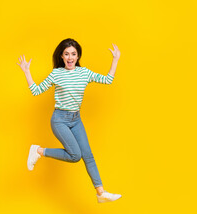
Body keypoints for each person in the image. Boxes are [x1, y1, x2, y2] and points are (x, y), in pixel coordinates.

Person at [16, 38, 121, 203]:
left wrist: (115, 59)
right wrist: (26, 71)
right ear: (62, 57)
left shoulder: (84, 73)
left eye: (73, 54)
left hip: (76, 119)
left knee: (88, 155)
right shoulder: (56, 74)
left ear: (78, 56)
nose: (70, 57)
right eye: (66, 54)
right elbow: (36, 91)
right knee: (75, 156)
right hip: (60, 120)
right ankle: (39, 151)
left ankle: (100, 193)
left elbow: (108, 80)